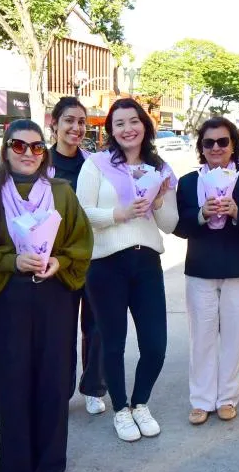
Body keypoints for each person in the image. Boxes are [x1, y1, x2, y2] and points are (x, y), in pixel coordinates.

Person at [0, 119, 92, 472]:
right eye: (19, 146)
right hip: (7, 301)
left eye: (36, 147)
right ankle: (15, 469)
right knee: (10, 382)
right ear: (5, 150)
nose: (28, 154)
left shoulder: (62, 193)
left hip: (54, 300)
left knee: (53, 381)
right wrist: (11, 261)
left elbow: (82, 243)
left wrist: (61, 263)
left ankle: (50, 463)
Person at [76, 98, 178, 442]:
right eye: (118, 123)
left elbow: (170, 224)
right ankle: (120, 409)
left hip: (147, 261)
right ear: (111, 130)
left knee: (155, 344)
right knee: (113, 343)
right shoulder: (96, 165)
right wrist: (118, 214)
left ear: (144, 125)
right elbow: (82, 213)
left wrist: (160, 200)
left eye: (133, 121)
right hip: (106, 264)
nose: (127, 129)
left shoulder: (160, 168)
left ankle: (141, 403)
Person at [174, 117, 239, 424]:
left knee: (235, 336)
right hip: (200, 269)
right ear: (201, 148)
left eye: (222, 142)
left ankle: (228, 397)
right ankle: (201, 400)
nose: (216, 148)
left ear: (233, 145)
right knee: (201, 336)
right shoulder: (189, 182)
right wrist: (201, 214)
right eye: (208, 143)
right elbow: (179, 226)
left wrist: (237, 213)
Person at [48, 96, 107, 416]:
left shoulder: (93, 164)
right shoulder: (41, 164)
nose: (76, 127)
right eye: (69, 120)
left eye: (82, 122)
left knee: (96, 327)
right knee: (60, 329)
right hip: (57, 262)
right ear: (54, 124)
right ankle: (61, 389)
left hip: (94, 256)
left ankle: (94, 387)